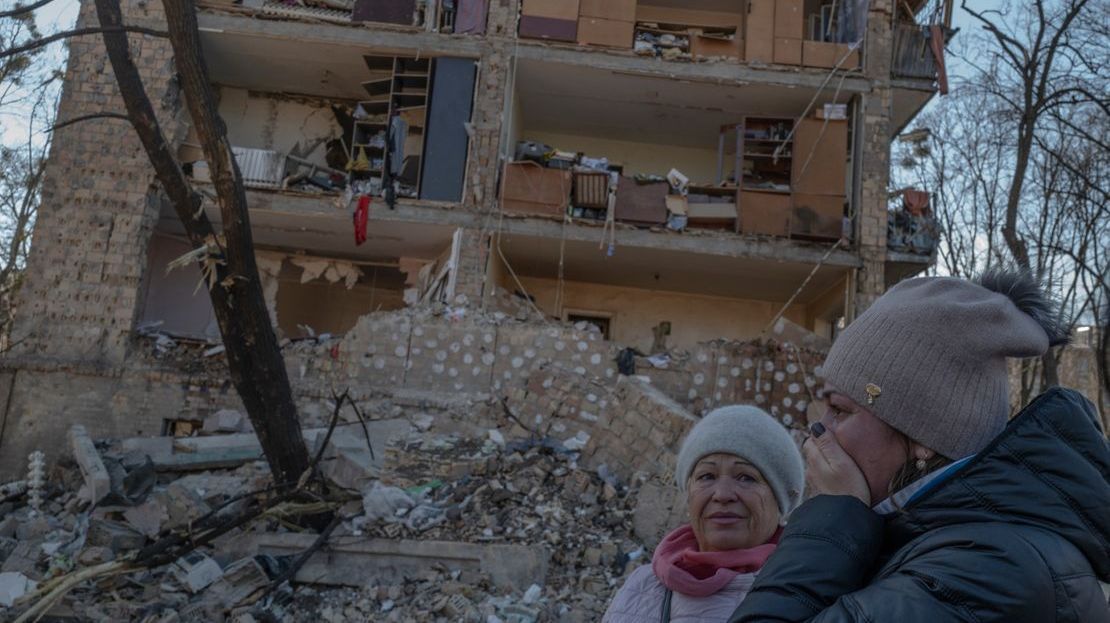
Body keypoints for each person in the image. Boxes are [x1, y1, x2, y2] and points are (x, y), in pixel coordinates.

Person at [729, 268, 1110, 622]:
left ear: (925, 438)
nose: (821, 431)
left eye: (839, 409)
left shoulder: (988, 571)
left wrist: (835, 514)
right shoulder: (947, 542)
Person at [604, 405, 805, 622]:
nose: (722, 494)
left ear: (781, 499)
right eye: (707, 476)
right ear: (688, 492)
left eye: (746, 477)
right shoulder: (640, 589)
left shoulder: (807, 597)